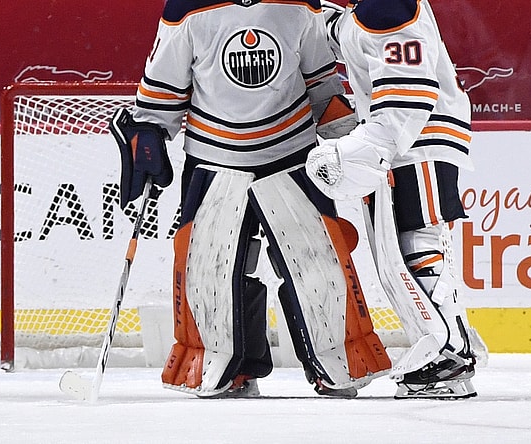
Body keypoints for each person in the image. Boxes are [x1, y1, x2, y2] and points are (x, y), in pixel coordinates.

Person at [111, 0, 392, 398]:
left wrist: (347, 142)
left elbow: (322, 86)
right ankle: (227, 368)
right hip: (213, 159)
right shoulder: (187, 10)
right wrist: (149, 135)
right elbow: (161, 91)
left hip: (293, 155)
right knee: (208, 269)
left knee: (320, 264)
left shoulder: (301, 6)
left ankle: (340, 364)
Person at [307, 0, 487, 398]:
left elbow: (411, 93)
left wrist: (368, 148)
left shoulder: (389, 6)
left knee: (418, 246)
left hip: (420, 140)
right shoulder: (368, 10)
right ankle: (448, 347)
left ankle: (448, 353)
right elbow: (347, 35)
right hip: (406, 141)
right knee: (402, 248)